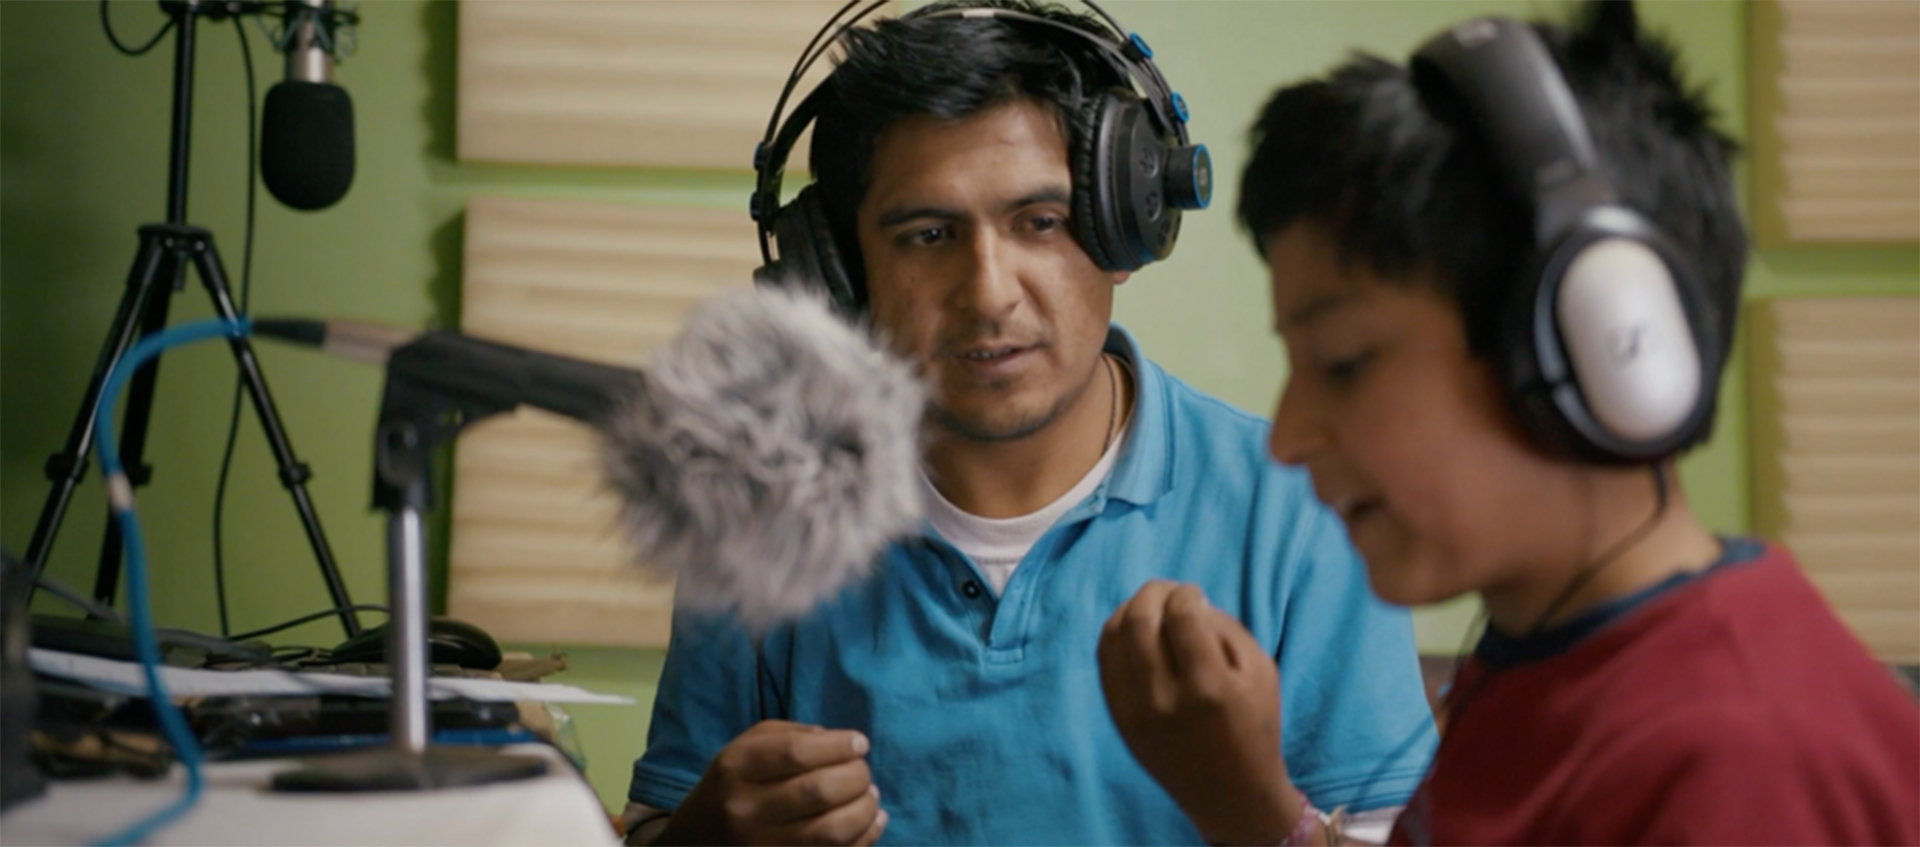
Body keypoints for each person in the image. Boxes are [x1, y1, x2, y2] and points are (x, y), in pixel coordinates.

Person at [1096, 2, 1920, 845]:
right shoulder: (1554, 648)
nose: (1288, 435)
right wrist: (1253, 807)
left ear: (1590, 338)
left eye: (1345, 363)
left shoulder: (1742, 760)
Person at [621, 2, 1437, 844]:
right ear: (837, 273)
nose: (988, 292)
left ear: (1130, 225)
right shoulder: (759, 512)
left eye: (1039, 223)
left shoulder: (1304, 508)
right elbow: (658, 823)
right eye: (927, 234)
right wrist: (701, 837)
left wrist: (1256, 806)